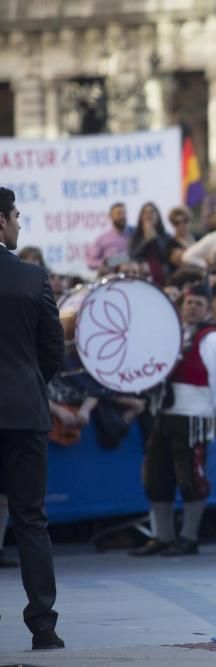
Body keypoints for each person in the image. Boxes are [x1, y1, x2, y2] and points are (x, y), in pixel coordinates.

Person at [0, 186, 65, 650]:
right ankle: (42, 624)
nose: (20, 224)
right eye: (17, 216)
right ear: (1, 221)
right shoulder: (31, 277)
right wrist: (26, 383)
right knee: (30, 519)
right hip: (24, 412)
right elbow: (52, 350)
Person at [129, 284, 216, 557]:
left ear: (208, 307)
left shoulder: (213, 339)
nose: (192, 308)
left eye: (199, 303)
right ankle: (163, 536)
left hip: (194, 415)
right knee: (156, 475)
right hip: (164, 414)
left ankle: (189, 537)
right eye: (189, 302)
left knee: (191, 477)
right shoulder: (172, 334)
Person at [128, 202, 172, 286]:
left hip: (164, 278)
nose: (148, 215)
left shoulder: (166, 236)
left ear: (157, 216)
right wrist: (146, 240)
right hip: (142, 276)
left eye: (151, 212)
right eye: (145, 213)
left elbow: (166, 256)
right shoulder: (134, 237)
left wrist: (154, 238)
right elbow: (133, 256)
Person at [86, 202, 131, 273]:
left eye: (123, 213)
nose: (122, 216)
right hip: (111, 279)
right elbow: (90, 262)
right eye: (118, 213)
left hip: (132, 278)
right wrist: (106, 263)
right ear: (110, 216)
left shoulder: (134, 235)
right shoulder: (102, 239)